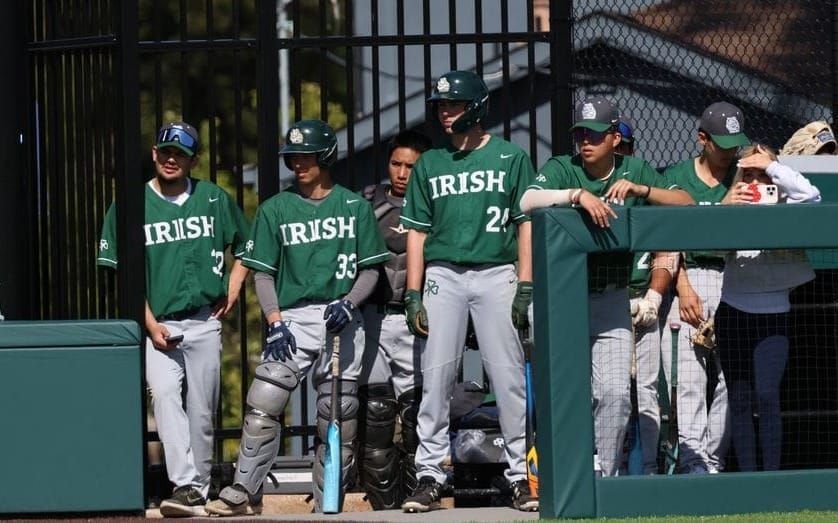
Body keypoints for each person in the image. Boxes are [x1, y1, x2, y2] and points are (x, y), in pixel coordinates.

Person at [205, 119, 389, 516]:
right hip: (291, 318)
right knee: (264, 400)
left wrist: (351, 303)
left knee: (336, 412)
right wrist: (274, 321)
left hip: (341, 315)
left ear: (325, 157)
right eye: (292, 157)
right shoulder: (275, 209)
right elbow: (263, 272)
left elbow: (371, 269)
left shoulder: (355, 206)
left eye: (305, 156)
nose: (297, 163)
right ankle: (242, 491)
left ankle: (330, 498)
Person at [520, 97, 693, 477]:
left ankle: (605, 478)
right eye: (581, 133)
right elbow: (528, 199)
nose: (586, 141)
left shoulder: (634, 168)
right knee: (566, 393)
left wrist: (642, 191)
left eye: (595, 134)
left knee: (615, 394)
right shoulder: (564, 168)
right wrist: (576, 196)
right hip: (564, 299)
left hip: (612, 297)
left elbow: (685, 202)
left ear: (615, 138)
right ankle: (566, 475)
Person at [399, 70, 537, 513]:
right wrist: (413, 292)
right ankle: (429, 475)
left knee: (509, 376)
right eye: (440, 105)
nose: (444, 112)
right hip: (445, 273)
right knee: (436, 376)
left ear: (476, 107)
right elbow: (417, 234)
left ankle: (520, 476)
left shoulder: (510, 157)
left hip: (498, 272)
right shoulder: (429, 162)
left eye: (453, 105)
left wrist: (526, 282)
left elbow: (525, 224)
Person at [97, 121, 250, 517]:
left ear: (192, 160)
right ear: (154, 154)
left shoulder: (213, 198)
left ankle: (196, 489)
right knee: (164, 396)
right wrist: (149, 325)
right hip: (158, 322)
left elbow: (249, 246)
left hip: (203, 319)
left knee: (202, 410)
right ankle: (184, 485)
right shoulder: (130, 204)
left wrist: (234, 286)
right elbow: (123, 274)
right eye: (165, 151)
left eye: (180, 154)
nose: (171, 159)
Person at [658, 101, 751, 474]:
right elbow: (668, 240)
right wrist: (683, 290)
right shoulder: (678, 175)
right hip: (692, 276)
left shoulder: (745, 174)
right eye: (722, 143)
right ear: (702, 139)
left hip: (735, 276)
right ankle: (693, 461)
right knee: (692, 380)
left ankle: (714, 459)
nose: (730, 151)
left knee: (733, 379)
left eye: (735, 143)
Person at [716, 144, 820, 471]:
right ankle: (748, 477)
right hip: (733, 311)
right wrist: (726, 203)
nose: (756, 182)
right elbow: (703, 240)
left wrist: (773, 168)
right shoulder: (731, 203)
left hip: (773, 315)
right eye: (749, 175)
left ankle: (772, 476)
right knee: (740, 399)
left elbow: (811, 196)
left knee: (767, 396)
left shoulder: (788, 205)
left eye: (762, 175)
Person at [357, 129, 432, 509]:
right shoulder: (366, 204)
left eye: (411, 167)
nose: (402, 173)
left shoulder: (437, 205)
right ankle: (382, 505)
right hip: (371, 317)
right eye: (396, 164)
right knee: (376, 411)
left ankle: (418, 494)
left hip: (413, 319)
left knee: (417, 413)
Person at [618, 119, 681, 475]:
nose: (621, 155)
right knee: (605, 391)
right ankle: (604, 468)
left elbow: (670, 243)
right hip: (604, 303)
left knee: (646, 389)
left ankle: (648, 469)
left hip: (644, 302)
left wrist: (654, 298)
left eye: (626, 148)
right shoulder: (588, 188)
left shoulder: (648, 190)